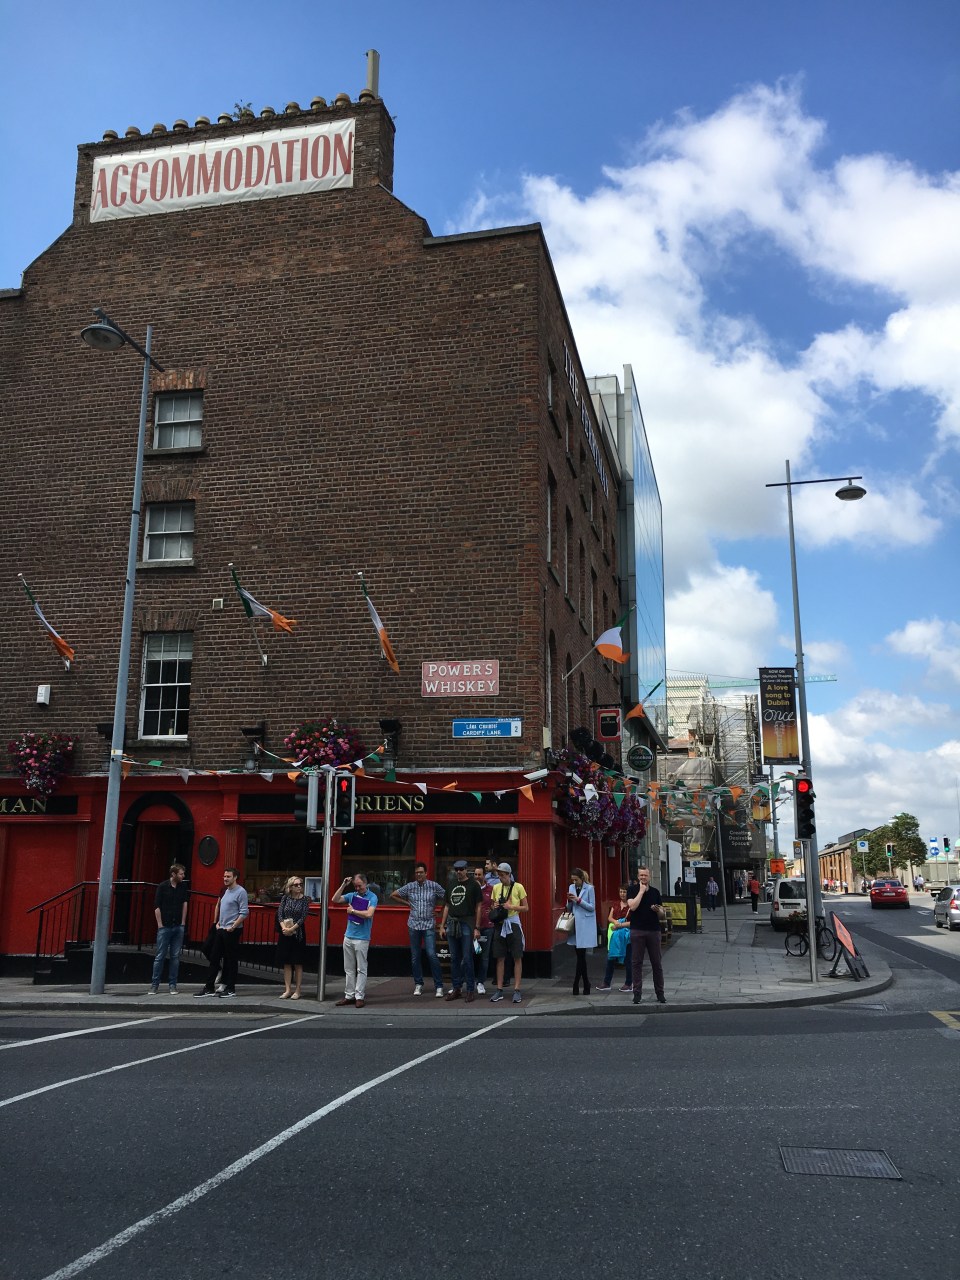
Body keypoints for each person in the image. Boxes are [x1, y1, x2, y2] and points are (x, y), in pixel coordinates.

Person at [391, 862, 446, 996]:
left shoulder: (434, 886)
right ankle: (418, 984)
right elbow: (393, 894)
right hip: (414, 925)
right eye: (417, 873)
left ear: (426, 873)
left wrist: (439, 912)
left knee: (432, 954)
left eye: (421, 872)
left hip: (428, 925)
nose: (419, 874)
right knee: (415, 957)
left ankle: (439, 986)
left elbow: (448, 898)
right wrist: (407, 903)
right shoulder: (410, 887)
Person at [195, 867, 248, 999]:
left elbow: (244, 912)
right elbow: (220, 906)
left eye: (228, 876)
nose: (225, 879)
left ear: (235, 877)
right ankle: (209, 988)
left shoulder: (241, 891)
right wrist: (217, 923)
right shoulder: (225, 891)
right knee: (214, 958)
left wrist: (234, 926)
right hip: (221, 928)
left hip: (232, 930)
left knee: (231, 960)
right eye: (224, 876)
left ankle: (230, 988)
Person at [332, 873, 377, 1007]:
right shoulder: (352, 895)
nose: (357, 888)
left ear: (365, 884)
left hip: (362, 938)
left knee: (361, 968)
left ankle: (359, 996)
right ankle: (349, 995)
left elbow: (369, 914)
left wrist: (353, 911)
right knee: (349, 968)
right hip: (349, 936)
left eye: (360, 886)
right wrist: (343, 885)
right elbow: (335, 899)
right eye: (355, 886)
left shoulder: (372, 897)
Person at [440, 859, 483, 1001]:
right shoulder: (451, 884)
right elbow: (447, 905)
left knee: (467, 958)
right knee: (454, 958)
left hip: (467, 922)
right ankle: (457, 988)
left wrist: (477, 927)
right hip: (452, 922)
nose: (459, 872)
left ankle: (470, 989)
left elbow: (478, 906)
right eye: (456, 869)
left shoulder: (474, 885)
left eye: (461, 869)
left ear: (466, 870)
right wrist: (442, 925)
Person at [489, 861, 528, 1004]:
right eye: (499, 875)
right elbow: (493, 906)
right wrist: (495, 906)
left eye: (503, 875)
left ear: (509, 875)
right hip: (500, 925)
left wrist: (511, 906)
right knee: (499, 957)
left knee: (517, 956)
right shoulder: (496, 887)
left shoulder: (518, 887)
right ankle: (499, 989)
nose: (501, 878)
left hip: (513, 923)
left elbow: (526, 907)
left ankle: (517, 989)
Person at [626, 867, 666, 1005]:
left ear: (650, 877)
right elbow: (632, 907)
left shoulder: (655, 892)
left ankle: (660, 993)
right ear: (638, 877)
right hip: (637, 930)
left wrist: (658, 910)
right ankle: (637, 993)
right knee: (636, 963)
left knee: (657, 963)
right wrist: (641, 892)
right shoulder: (632, 890)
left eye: (646, 875)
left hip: (653, 930)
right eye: (641, 875)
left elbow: (662, 914)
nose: (643, 877)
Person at [149, 862, 189, 994]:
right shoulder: (162, 886)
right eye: (181, 874)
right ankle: (154, 985)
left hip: (178, 925)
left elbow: (184, 904)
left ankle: (173, 985)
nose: (183, 876)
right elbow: (157, 905)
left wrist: (183, 922)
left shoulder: (183, 887)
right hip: (165, 926)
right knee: (160, 956)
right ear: (173, 874)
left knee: (175, 957)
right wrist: (160, 924)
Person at [275, 876, 310, 1000]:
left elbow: (303, 917)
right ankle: (288, 989)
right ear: (290, 887)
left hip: (298, 933)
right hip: (285, 933)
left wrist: (292, 929)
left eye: (301, 884)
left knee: (297, 962)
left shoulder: (305, 900)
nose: (299, 886)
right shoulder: (285, 898)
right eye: (296, 885)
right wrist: (284, 927)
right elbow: (280, 914)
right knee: (287, 963)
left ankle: (298, 990)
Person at [566, 867, 596, 995]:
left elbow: (592, 907)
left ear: (582, 879)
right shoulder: (571, 888)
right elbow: (569, 908)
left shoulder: (589, 889)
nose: (574, 883)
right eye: (572, 880)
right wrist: (569, 901)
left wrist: (578, 900)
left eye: (576, 880)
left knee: (581, 956)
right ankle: (586, 984)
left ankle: (576, 984)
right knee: (580, 956)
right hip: (575, 926)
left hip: (585, 925)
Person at [597, 885, 632, 992]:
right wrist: (615, 922)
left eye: (624, 892)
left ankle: (629, 983)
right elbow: (609, 917)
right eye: (621, 892)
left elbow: (634, 922)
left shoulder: (632, 905)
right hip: (614, 934)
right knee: (610, 959)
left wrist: (621, 925)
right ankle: (606, 983)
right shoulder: (616, 904)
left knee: (628, 959)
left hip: (626, 935)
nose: (622, 894)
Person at [474, 864, 495, 994]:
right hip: (471, 928)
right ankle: (466, 982)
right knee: (468, 956)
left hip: (487, 927)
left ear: (484, 876)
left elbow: (494, 905)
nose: (477, 877)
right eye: (475, 874)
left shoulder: (491, 889)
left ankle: (481, 982)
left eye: (479, 874)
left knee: (484, 957)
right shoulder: (470, 888)